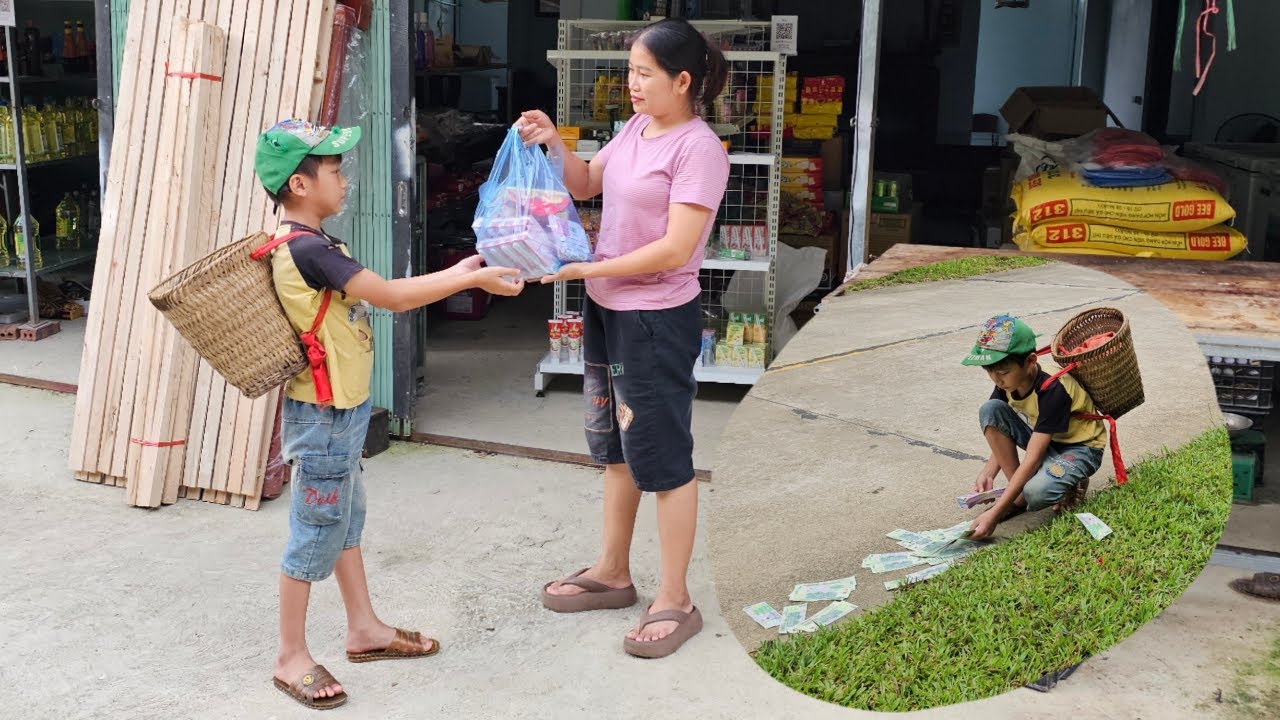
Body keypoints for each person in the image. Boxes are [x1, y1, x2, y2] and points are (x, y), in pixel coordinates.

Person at [253, 118, 524, 709]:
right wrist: (472, 278)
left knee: (344, 520)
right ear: (299, 184)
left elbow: (386, 292)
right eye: (334, 169)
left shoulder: (312, 243)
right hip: (322, 418)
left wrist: (459, 272)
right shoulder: (308, 250)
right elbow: (394, 297)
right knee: (315, 530)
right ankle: (289, 655)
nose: (344, 179)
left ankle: (364, 628)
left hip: (340, 412)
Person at [515, 18, 730, 658]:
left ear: (682, 81)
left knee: (664, 459)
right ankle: (613, 572)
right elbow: (586, 183)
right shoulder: (637, 127)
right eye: (630, 71)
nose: (631, 84)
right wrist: (554, 143)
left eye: (643, 73)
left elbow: (676, 249)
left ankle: (676, 598)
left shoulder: (698, 150)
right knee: (616, 446)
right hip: (609, 308)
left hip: (655, 318)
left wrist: (588, 268)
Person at [962, 314, 1107, 540]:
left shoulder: (1052, 389)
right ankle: (1018, 494)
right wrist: (988, 471)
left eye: (1003, 372)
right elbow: (999, 425)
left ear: (1030, 361)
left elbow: (1033, 456)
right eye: (989, 371)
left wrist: (996, 512)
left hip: (1080, 448)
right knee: (990, 409)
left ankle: (1071, 481)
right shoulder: (1009, 383)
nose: (996, 380)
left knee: (1037, 494)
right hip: (1046, 441)